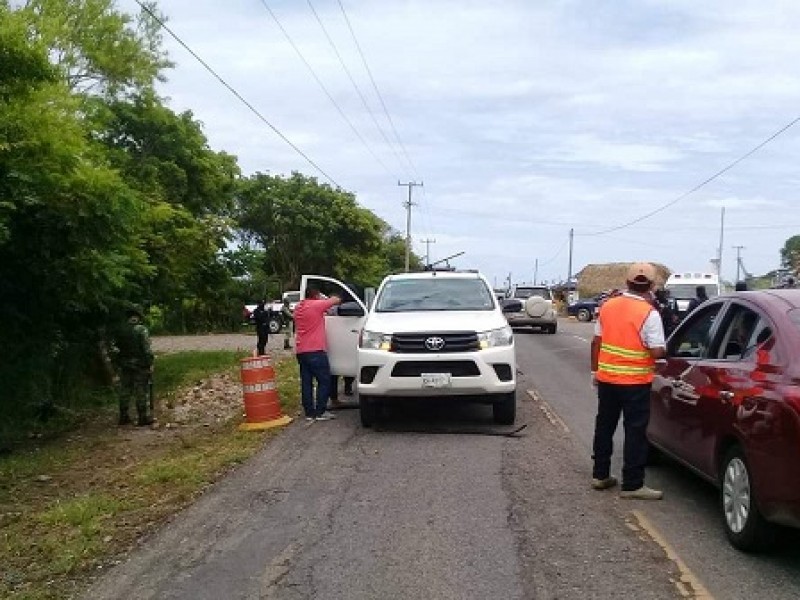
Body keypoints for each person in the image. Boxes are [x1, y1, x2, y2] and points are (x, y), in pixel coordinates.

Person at [590, 262, 666, 500]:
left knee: (605, 426)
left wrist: (595, 371)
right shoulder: (649, 313)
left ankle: (600, 475)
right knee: (635, 432)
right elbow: (656, 352)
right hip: (635, 382)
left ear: (627, 282)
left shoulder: (607, 306)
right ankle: (632, 484)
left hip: (607, 379)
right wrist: (664, 349)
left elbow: (596, 342)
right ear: (652, 286)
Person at [293, 287, 341, 421]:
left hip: (301, 350)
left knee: (306, 382)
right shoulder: (316, 305)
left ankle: (309, 412)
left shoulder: (298, 308)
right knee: (325, 380)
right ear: (316, 295)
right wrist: (325, 298)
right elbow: (336, 300)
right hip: (315, 350)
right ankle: (321, 411)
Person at [114, 304, 155, 426]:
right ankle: (142, 417)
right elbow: (146, 349)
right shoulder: (141, 330)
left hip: (124, 364)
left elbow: (116, 348)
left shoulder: (120, 330)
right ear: (138, 316)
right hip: (139, 364)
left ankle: (123, 416)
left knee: (125, 389)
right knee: (140, 389)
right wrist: (150, 363)